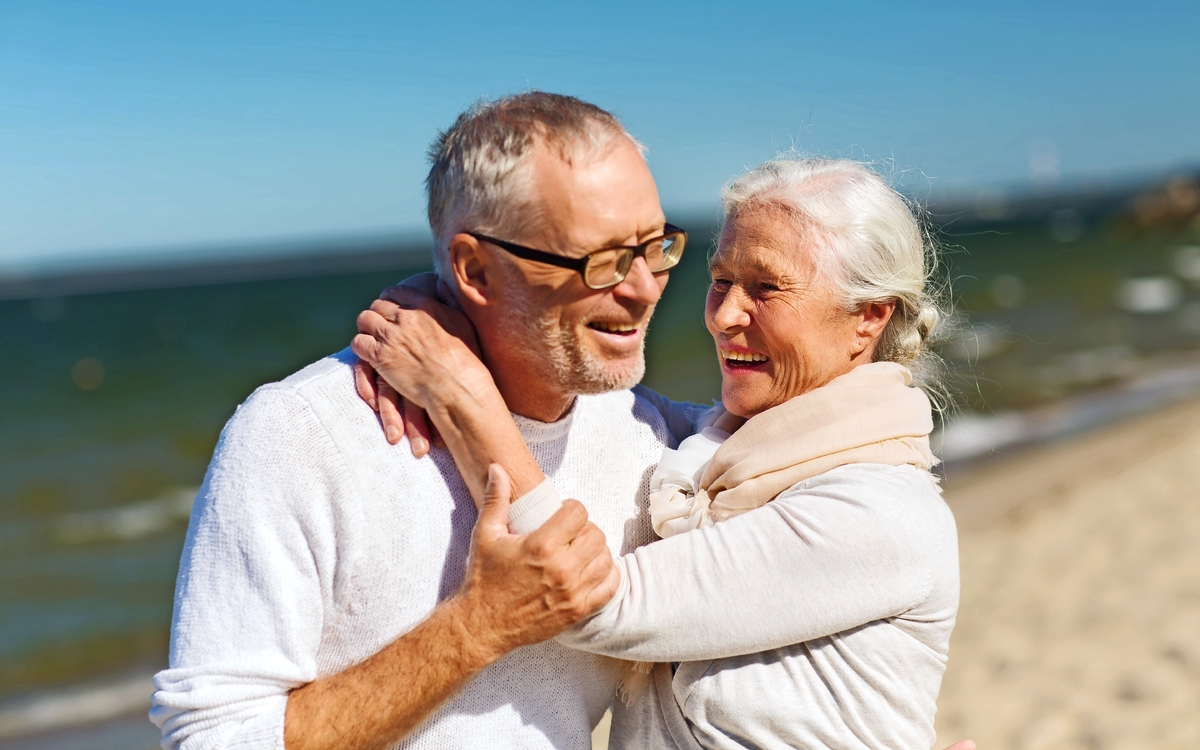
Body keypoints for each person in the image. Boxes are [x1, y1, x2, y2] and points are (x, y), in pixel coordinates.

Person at [353, 157, 960, 749]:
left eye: (766, 288)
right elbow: (579, 396)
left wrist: (459, 393)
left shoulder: (881, 512)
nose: (724, 316)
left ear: (868, 317)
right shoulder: (719, 449)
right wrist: (456, 308)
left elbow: (592, 603)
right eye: (720, 281)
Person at [151, 92, 695, 750]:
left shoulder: (650, 434)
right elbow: (212, 739)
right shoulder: (300, 434)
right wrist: (476, 626)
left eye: (655, 246)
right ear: (475, 269)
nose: (644, 288)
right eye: (601, 262)